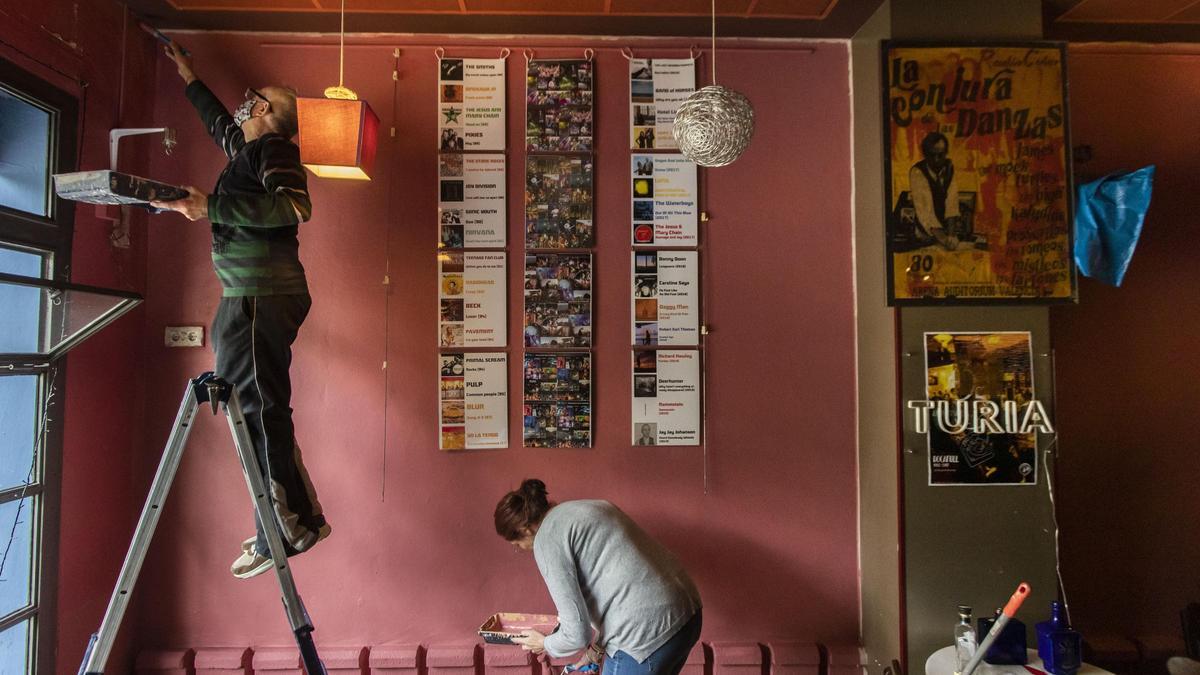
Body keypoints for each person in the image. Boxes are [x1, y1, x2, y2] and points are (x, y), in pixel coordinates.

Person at [152, 41, 329, 580]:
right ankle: (298, 520)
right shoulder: (249, 150)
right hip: (254, 297)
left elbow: (296, 206)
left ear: (271, 116)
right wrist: (189, 75)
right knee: (262, 408)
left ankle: (283, 528)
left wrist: (210, 205)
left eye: (256, 100)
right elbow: (219, 125)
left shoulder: (276, 150)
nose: (245, 104)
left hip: (260, 295)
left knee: (255, 410)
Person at [494, 479, 701, 675]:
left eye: (517, 545)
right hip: (687, 614)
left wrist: (544, 644)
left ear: (525, 529)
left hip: (646, 634)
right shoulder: (591, 507)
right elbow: (622, 588)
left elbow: (577, 635)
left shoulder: (547, 538)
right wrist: (597, 649)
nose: (522, 549)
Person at [908, 131, 963, 250]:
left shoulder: (949, 168)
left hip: (944, 235)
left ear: (946, 153)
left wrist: (952, 235)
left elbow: (951, 203)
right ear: (925, 154)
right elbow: (926, 213)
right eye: (932, 155)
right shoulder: (917, 172)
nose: (937, 159)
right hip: (925, 237)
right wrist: (945, 240)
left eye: (940, 155)